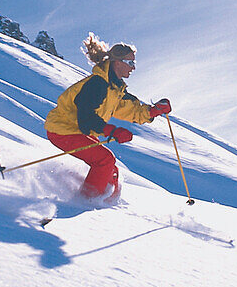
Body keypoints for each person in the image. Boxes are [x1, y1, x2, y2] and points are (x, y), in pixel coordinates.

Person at [44, 33, 171, 200]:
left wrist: (154, 111)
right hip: (62, 130)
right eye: (130, 62)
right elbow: (86, 118)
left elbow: (130, 109)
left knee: (111, 170)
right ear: (117, 63)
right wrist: (112, 131)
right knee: (104, 160)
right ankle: (86, 201)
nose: (133, 67)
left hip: (77, 130)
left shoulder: (114, 89)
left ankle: (109, 204)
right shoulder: (97, 85)